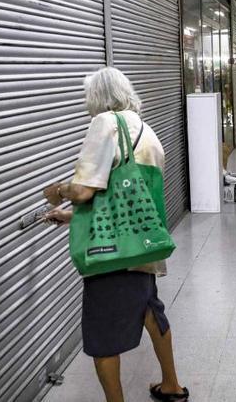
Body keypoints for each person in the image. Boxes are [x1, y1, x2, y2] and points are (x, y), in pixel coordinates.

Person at [41, 67, 188, 402]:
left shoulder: (105, 124)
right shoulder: (145, 129)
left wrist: (59, 192)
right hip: (143, 245)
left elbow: (84, 190)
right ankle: (171, 386)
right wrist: (73, 218)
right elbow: (125, 197)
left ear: (97, 98)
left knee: (102, 335)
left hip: (114, 254)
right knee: (151, 312)